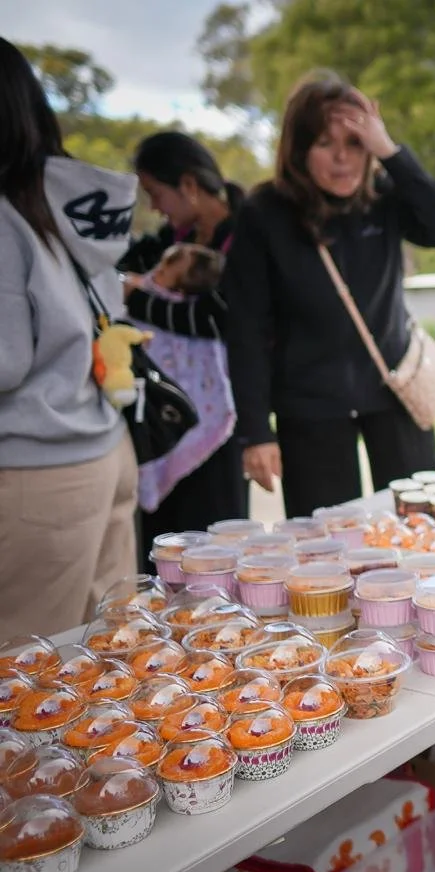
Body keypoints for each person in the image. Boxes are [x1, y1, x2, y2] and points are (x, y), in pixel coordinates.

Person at [223, 73, 435, 518]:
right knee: (328, 542)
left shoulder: (385, 196)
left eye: (354, 144)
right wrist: (256, 431)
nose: (342, 159)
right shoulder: (265, 213)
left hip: (394, 388)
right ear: (298, 150)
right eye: (324, 144)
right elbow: (246, 328)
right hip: (310, 405)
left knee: (420, 523)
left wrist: (390, 152)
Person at [0, 36, 138, 635]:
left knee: (25, 678)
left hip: (36, 470)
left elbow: (5, 361)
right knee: (106, 655)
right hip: (102, 448)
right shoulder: (74, 209)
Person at [118, 132, 247, 566]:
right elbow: (122, 270)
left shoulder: (246, 233)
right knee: (163, 549)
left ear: (189, 185)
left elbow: (216, 319)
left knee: (212, 546)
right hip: (164, 413)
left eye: (155, 193)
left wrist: (136, 299)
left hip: (221, 417)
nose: (153, 206)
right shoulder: (167, 241)